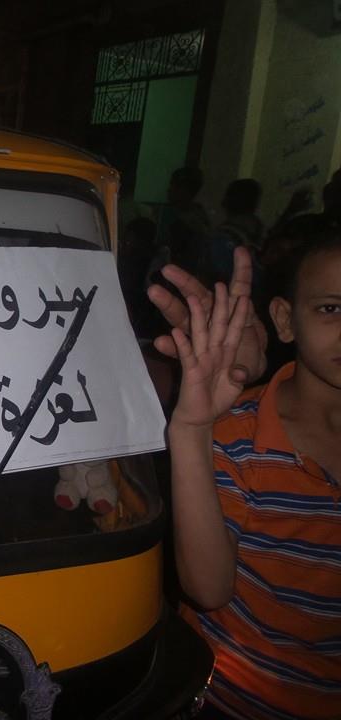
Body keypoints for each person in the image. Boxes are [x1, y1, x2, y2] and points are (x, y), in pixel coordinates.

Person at [166, 234, 341, 719]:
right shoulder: (240, 436)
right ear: (284, 319)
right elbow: (207, 589)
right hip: (230, 699)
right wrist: (192, 428)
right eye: (331, 309)